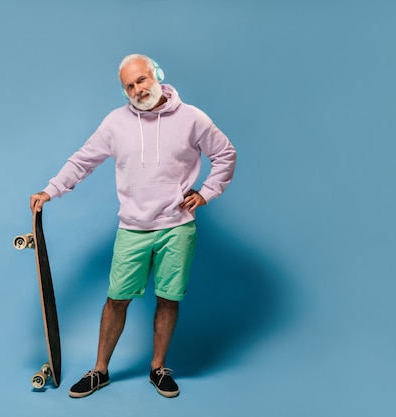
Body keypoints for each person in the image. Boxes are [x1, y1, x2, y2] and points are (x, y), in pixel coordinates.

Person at [29, 54, 236, 398]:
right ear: (124, 91)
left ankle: (158, 368)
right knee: (116, 299)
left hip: (177, 227)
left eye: (141, 80)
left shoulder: (192, 119)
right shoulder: (115, 123)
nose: (138, 89)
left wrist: (207, 191)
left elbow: (225, 154)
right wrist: (51, 190)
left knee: (168, 299)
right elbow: (83, 161)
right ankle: (100, 371)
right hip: (133, 227)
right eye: (129, 85)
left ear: (156, 75)